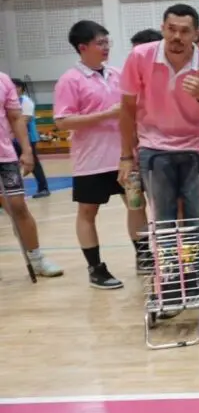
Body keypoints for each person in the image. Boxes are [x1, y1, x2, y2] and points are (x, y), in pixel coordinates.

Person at [54, 20, 148, 289]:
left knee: (136, 204)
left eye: (107, 42)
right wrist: (106, 114)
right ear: (82, 47)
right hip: (91, 160)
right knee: (87, 211)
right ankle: (95, 268)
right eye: (100, 43)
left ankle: (144, 256)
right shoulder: (70, 80)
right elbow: (62, 121)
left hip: (124, 156)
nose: (106, 47)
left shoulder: (117, 74)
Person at [119, 4, 199, 228]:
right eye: (171, 29)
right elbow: (127, 108)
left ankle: (198, 254)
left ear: (196, 34)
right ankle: (166, 255)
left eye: (185, 31)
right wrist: (126, 157)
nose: (177, 36)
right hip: (153, 148)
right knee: (163, 223)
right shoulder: (140, 56)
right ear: (163, 29)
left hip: (197, 149)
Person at [0, 71, 62, 277]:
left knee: (18, 206)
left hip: (4, 157)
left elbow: (16, 118)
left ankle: (36, 259)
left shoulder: (3, 80)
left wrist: (27, 151)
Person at [11, 79, 49, 198]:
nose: (13, 89)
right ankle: (13, 192)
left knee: (33, 163)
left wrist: (10, 131)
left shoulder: (26, 101)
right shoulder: (9, 102)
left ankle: (43, 188)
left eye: (15, 87)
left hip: (28, 138)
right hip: (12, 138)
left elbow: (24, 120)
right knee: (11, 164)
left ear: (20, 88)